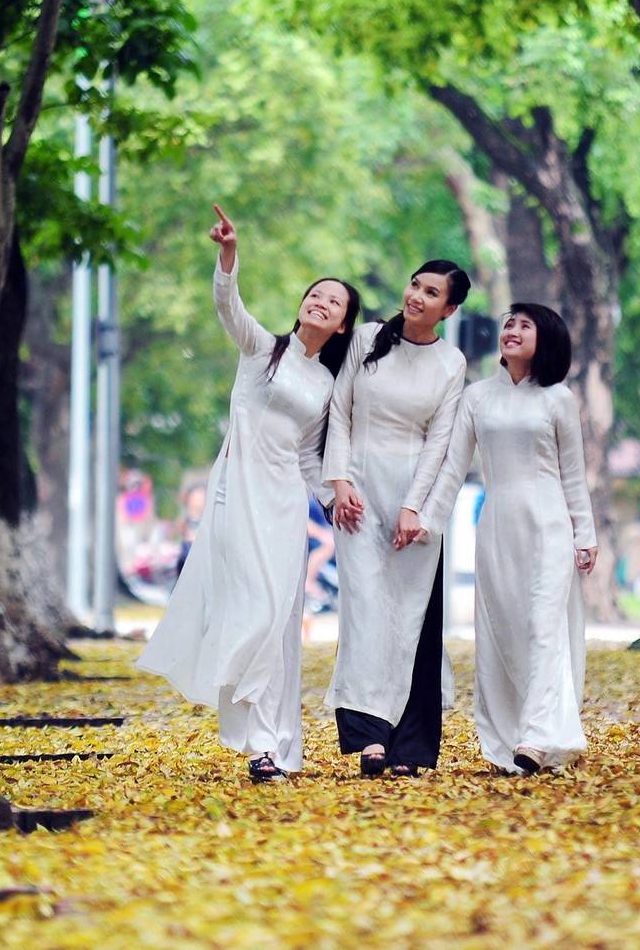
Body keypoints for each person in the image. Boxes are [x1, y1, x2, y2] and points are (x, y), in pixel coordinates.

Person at [137, 205, 361, 782]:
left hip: (286, 503)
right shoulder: (263, 348)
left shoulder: (328, 383)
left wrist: (335, 499)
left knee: (281, 622)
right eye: (316, 294)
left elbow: (311, 455)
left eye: (333, 302)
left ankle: (272, 747)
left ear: (341, 326)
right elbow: (227, 307)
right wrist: (228, 256)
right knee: (255, 613)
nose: (320, 302)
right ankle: (257, 737)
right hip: (238, 496)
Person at [419, 303, 598, 775]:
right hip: (497, 527)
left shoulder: (558, 399)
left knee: (543, 627)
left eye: (525, 325)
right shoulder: (476, 397)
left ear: (547, 340)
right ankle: (504, 738)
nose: (512, 331)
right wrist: (426, 519)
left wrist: (586, 535)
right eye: (508, 324)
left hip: (549, 526)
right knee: (500, 631)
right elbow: (454, 467)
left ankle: (538, 736)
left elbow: (573, 476)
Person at [323, 260, 471, 777]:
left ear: (449, 309)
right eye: (415, 284)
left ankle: (410, 746)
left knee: (412, 620)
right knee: (365, 613)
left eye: (431, 293)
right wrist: (339, 481)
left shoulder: (451, 364)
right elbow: (339, 411)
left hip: (414, 500)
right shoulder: (366, 339)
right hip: (358, 497)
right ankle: (369, 738)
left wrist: (416, 507)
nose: (416, 296)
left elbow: (441, 443)